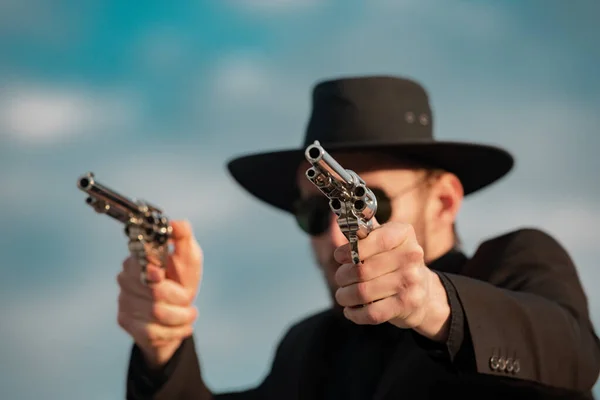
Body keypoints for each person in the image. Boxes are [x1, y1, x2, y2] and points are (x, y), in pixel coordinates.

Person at [118, 76, 600, 399]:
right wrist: (164, 347)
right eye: (311, 211)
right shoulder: (308, 346)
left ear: (445, 202)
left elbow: (575, 356)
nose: (333, 233)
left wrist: (435, 305)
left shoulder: (512, 263)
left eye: (374, 200)